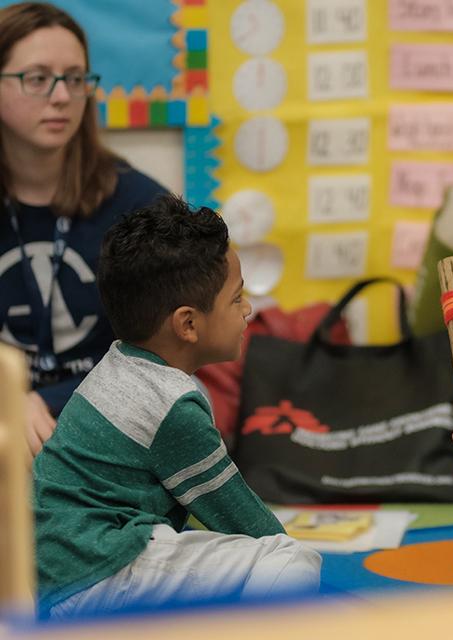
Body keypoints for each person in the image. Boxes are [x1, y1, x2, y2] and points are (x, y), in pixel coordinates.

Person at [33, 195, 322, 619]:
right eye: (236, 299)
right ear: (188, 324)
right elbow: (243, 520)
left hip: (54, 574)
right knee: (291, 560)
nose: (249, 310)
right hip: (99, 571)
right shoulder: (172, 407)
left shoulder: (117, 363)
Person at [0, 2, 167, 458]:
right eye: (37, 78)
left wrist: (49, 399)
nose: (60, 97)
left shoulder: (140, 206)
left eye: (75, 79)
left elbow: (166, 351)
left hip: (106, 418)